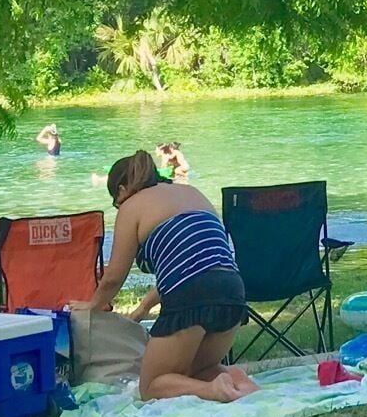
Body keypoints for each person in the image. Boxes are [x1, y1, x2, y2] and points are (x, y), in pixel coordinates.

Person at [83, 150, 256, 403]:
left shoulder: (132, 206)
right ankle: (238, 381)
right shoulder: (192, 193)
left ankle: (214, 391)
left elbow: (113, 277)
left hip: (193, 295)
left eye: (115, 200)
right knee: (196, 373)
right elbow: (189, 265)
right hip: (232, 289)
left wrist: (92, 305)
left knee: (152, 385)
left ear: (122, 190)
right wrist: (144, 307)